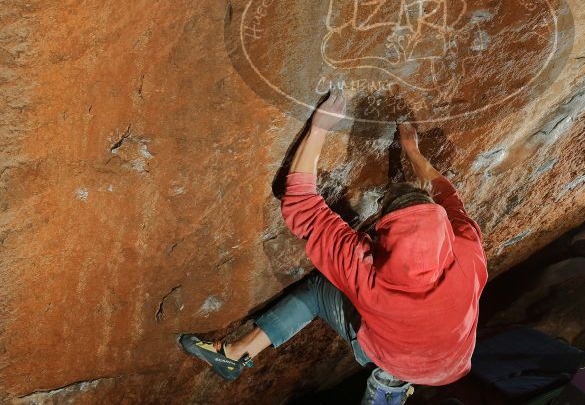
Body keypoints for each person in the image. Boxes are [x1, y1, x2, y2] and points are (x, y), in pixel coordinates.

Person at [180, 90, 488, 404]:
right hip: (451, 365)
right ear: (439, 220)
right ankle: (391, 384)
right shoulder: (466, 245)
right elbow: (447, 195)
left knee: (318, 290)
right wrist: (412, 150)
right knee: (412, 336)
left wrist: (319, 127)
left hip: (392, 353)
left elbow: (300, 204)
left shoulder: (367, 275)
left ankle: (235, 353)